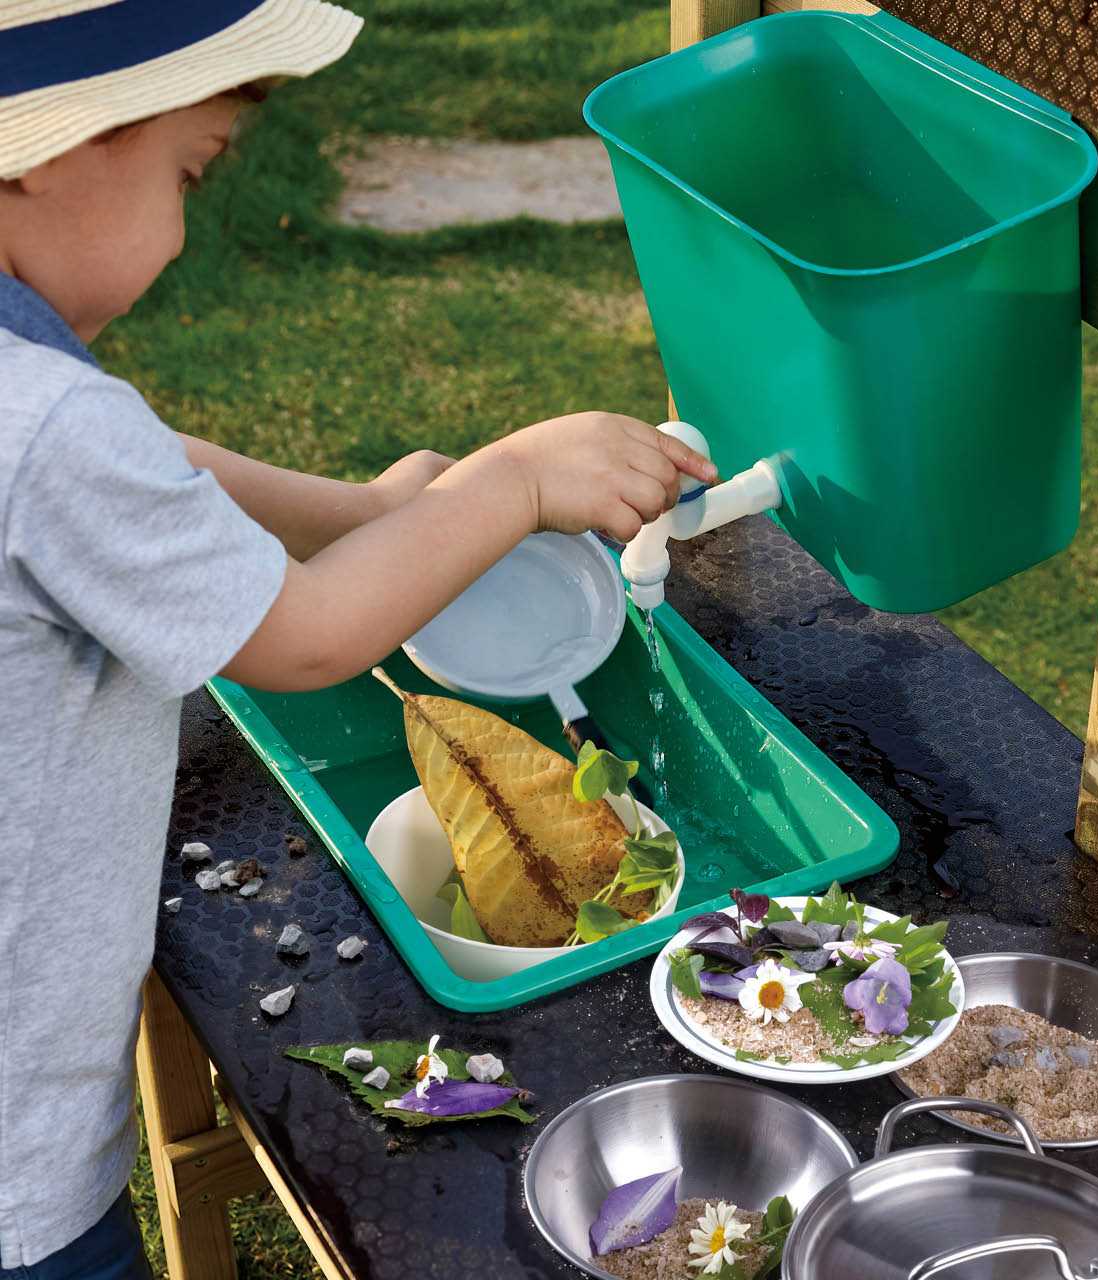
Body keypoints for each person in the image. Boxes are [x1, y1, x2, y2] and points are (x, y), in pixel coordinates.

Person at [0, 3, 717, 1274]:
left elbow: (146, 463)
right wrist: (509, 484)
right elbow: (308, 636)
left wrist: (374, 515)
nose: (190, 218)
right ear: (53, 148)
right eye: (191, 169)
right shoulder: (41, 425)